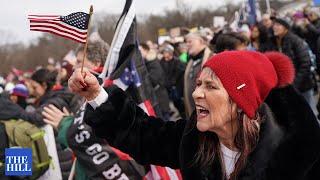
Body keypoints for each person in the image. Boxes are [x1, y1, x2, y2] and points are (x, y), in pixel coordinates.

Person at [68, 51, 320, 179]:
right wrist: (95, 95)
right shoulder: (195, 139)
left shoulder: (299, 157)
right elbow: (142, 135)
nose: (197, 94)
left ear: (241, 101)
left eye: (210, 87)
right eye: (198, 84)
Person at [272, 18, 317, 115]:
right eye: (274, 25)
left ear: (286, 28)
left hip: (303, 86)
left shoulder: (295, 41)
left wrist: (295, 84)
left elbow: (305, 63)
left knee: (310, 114)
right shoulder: (274, 42)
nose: (274, 27)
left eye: (278, 25)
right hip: (287, 88)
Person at [184, 31, 213, 117]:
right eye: (186, 42)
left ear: (201, 41)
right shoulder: (191, 62)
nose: (187, 45)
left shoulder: (211, 58)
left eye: (190, 41)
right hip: (193, 112)